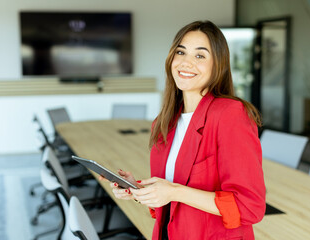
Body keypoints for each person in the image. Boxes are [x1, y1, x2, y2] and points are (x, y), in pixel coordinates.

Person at [105, 20, 266, 240]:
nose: (186, 62)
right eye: (181, 52)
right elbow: (170, 203)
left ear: (218, 65)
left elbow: (249, 207)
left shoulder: (230, 114)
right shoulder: (164, 123)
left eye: (200, 56)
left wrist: (174, 191)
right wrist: (138, 190)